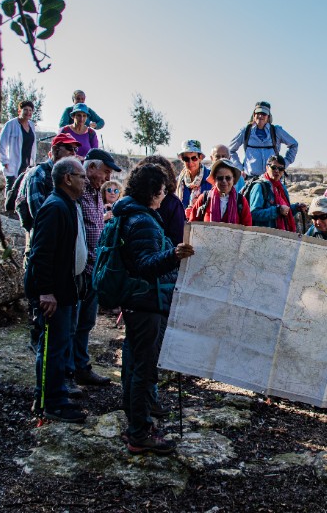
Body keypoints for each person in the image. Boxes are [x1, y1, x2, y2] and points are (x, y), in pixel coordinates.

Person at [112, 163, 195, 454]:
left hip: (138, 302)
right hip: (147, 303)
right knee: (144, 370)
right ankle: (140, 434)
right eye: (161, 191)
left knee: (136, 367)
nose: (164, 197)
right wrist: (173, 255)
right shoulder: (143, 220)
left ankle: (137, 424)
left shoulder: (131, 214)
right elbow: (145, 265)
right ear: (152, 191)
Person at [23, 156, 88, 423]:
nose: (85, 181)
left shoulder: (68, 204)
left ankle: (55, 396)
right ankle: (50, 403)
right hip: (54, 293)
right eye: (82, 176)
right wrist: (46, 291)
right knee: (51, 346)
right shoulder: (54, 207)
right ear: (67, 178)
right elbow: (41, 253)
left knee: (61, 345)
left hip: (66, 289)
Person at [69, 149, 122, 388]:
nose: (107, 177)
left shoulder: (96, 194)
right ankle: (67, 373)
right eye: (106, 172)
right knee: (71, 325)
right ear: (91, 168)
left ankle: (81, 367)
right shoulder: (77, 193)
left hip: (93, 269)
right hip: (78, 271)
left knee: (86, 323)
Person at [20, 133, 81, 235]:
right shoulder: (39, 173)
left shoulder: (67, 176)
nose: (73, 153)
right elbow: (38, 213)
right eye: (69, 148)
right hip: (41, 236)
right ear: (55, 150)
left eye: (75, 150)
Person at [228, 101, 298, 179]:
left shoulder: (276, 131)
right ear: (254, 115)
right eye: (258, 113)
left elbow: (294, 144)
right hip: (250, 179)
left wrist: (284, 163)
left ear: (268, 117)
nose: (260, 116)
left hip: (272, 179)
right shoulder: (245, 131)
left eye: (264, 114)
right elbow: (230, 150)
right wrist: (239, 168)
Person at [248, 155, 307, 230]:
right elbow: (254, 213)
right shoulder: (259, 186)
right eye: (273, 167)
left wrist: (296, 208)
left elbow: (285, 212)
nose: (277, 171)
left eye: (281, 168)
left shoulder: (281, 188)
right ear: (267, 167)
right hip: (264, 236)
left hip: (280, 235)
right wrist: (277, 210)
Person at [186, 159, 252, 225]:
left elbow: (247, 229)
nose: (224, 181)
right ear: (214, 179)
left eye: (228, 178)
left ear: (233, 179)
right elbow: (192, 225)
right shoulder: (204, 199)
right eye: (220, 178)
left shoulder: (241, 201)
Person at [0, 100, 37, 193]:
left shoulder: (31, 125)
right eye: (25, 110)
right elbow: (1, 144)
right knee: (11, 189)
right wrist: (5, 161)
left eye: (30, 110)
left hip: (27, 164)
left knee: (23, 191)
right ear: (19, 111)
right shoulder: (11, 124)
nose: (28, 112)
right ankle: (9, 207)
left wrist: (33, 162)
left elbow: (33, 145)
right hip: (13, 163)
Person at [175, 139, 211, 211]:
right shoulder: (178, 181)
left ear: (200, 158)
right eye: (186, 159)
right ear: (182, 160)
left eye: (194, 158)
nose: (190, 162)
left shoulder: (211, 177)